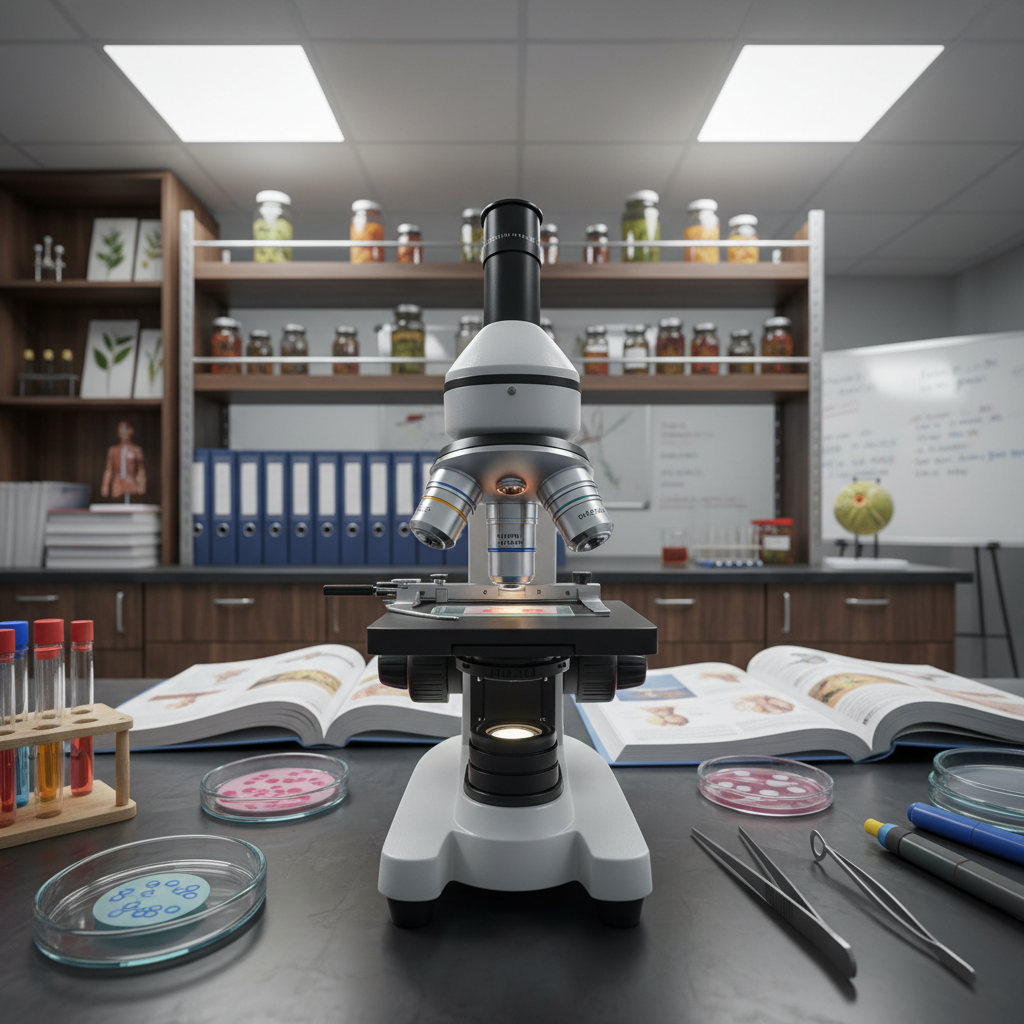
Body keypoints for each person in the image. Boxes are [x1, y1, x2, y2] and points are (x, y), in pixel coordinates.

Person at [101, 419, 146, 500]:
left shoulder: (136, 450)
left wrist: (141, 484)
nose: (124, 432)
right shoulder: (113, 450)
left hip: (130, 482)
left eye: (126, 429)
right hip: (117, 482)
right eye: (121, 429)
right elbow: (109, 469)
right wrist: (105, 486)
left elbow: (140, 469)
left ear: (131, 431)